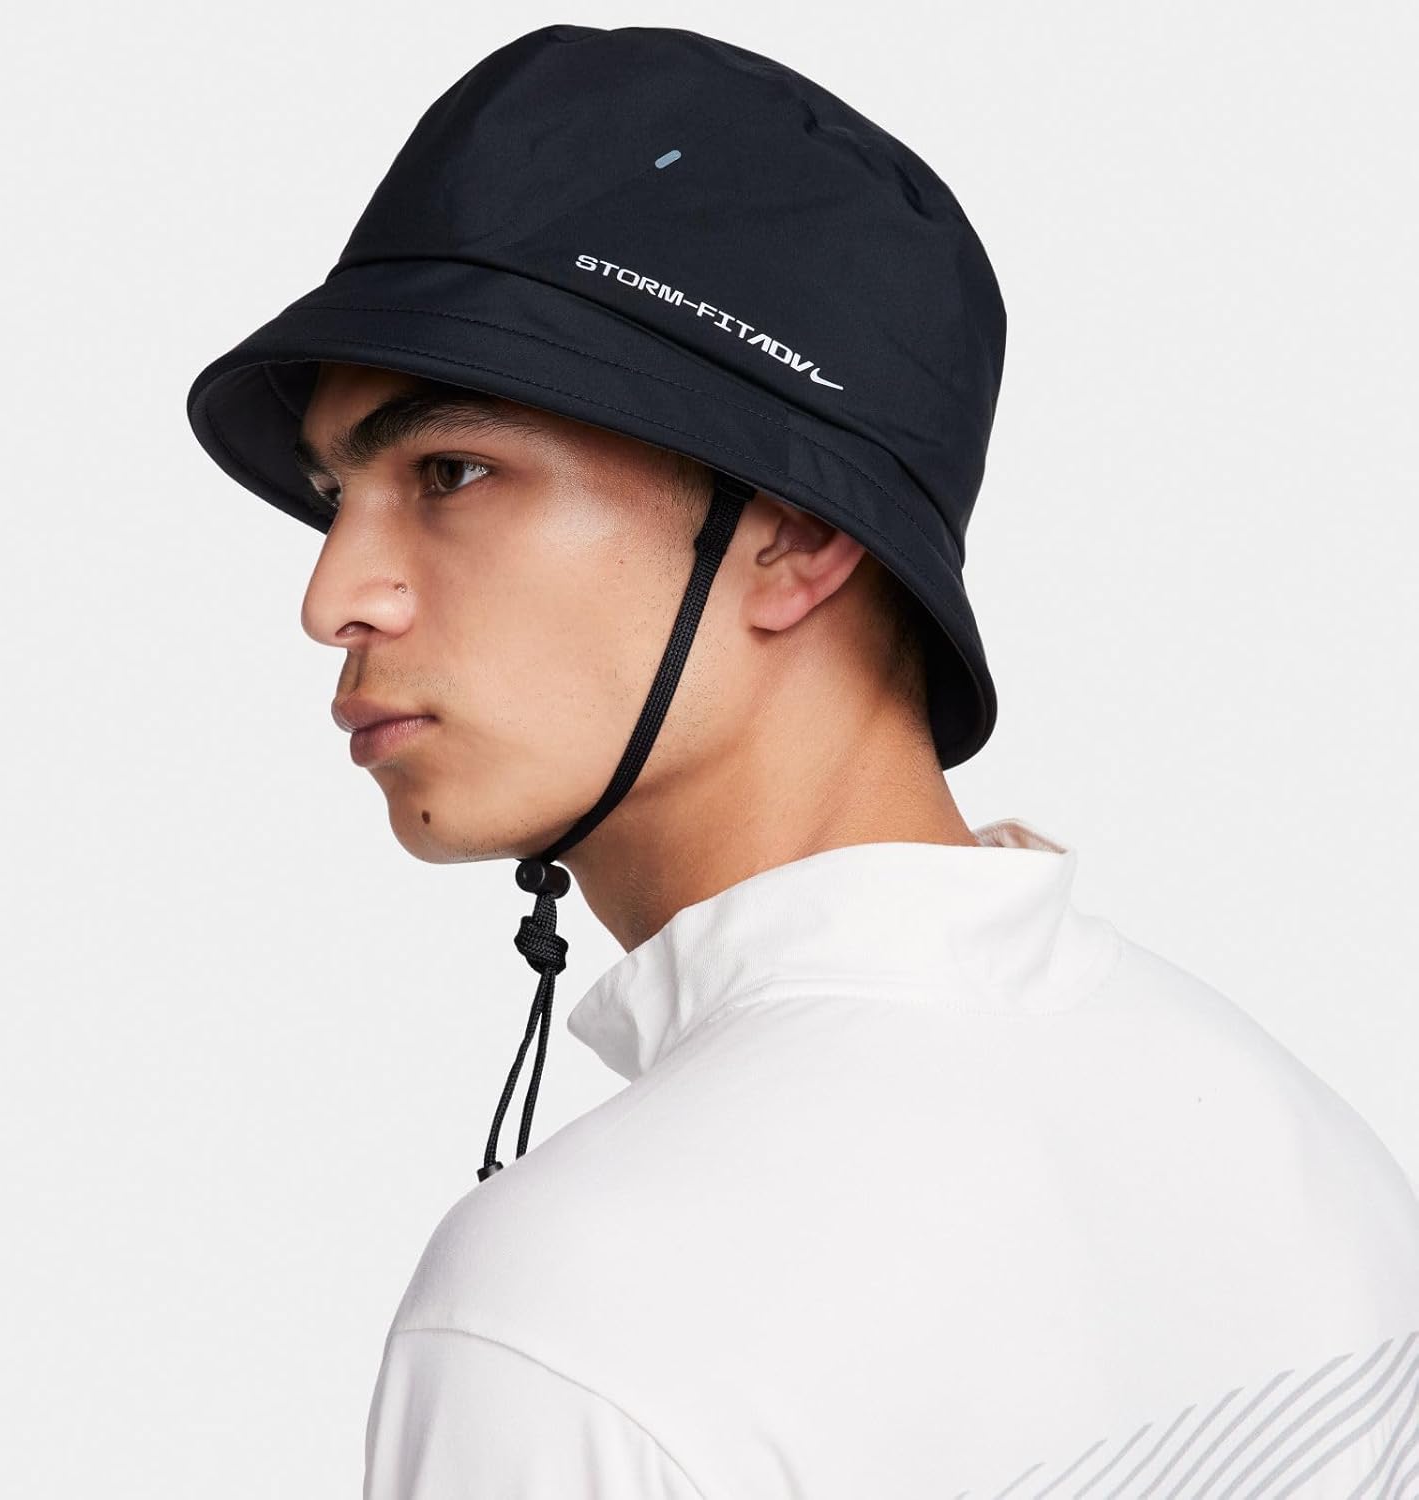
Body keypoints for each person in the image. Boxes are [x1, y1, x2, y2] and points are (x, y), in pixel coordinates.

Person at [185, 23, 1419, 1499]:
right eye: (336, 497)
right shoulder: (1302, 1152)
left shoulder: (577, 1316)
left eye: (450, 472)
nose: (334, 597)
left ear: (795, 535)